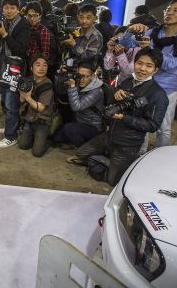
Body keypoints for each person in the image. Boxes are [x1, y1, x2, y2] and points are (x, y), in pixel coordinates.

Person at [68, 47, 169, 186]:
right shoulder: (127, 82)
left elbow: (152, 125)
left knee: (113, 182)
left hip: (127, 144)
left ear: (156, 70)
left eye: (149, 65)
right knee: (78, 155)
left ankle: (125, 165)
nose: (142, 69)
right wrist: (114, 97)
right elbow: (109, 105)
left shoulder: (158, 95)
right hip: (110, 135)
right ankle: (110, 159)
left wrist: (124, 118)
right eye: (139, 63)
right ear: (135, 63)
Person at [121, 0, 177, 148]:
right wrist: (130, 31)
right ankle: (140, 155)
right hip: (145, 86)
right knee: (142, 123)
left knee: (163, 128)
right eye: (168, 9)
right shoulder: (153, 32)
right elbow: (126, 43)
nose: (170, 13)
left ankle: (160, 156)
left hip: (167, 89)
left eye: (176, 10)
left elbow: (170, 63)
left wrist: (151, 48)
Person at [0, 0, 30, 148]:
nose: (9, 11)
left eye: (12, 8)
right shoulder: (4, 22)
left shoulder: (23, 24)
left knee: (11, 103)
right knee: (5, 101)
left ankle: (11, 136)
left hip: (15, 70)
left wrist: (4, 35)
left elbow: (21, 50)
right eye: (6, 7)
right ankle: (11, 127)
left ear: (18, 9)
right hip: (4, 67)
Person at [52, 61, 105, 148]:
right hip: (80, 121)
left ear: (92, 76)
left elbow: (77, 107)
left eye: (85, 76)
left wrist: (72, 87)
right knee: (56, 137)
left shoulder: (97, 91)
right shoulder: (78, 82)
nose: (82, 79)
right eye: (79, 75)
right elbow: (62, 94)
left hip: (93, 127)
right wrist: (63, 77)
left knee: (69, 128)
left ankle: (85, 149)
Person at [17, 54, 54, 157]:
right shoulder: (27, 81)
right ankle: (35, 138)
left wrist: (28, 97)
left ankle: (47, 140)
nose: (42, 68)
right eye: (38, 65)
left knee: (37, 153)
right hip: (29, 119)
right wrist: (22, 95)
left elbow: (41, 108)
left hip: (42, 121)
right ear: (31, 68)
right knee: (22, 146)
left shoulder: (48, 85)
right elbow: (22, 101)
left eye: (45, 65)